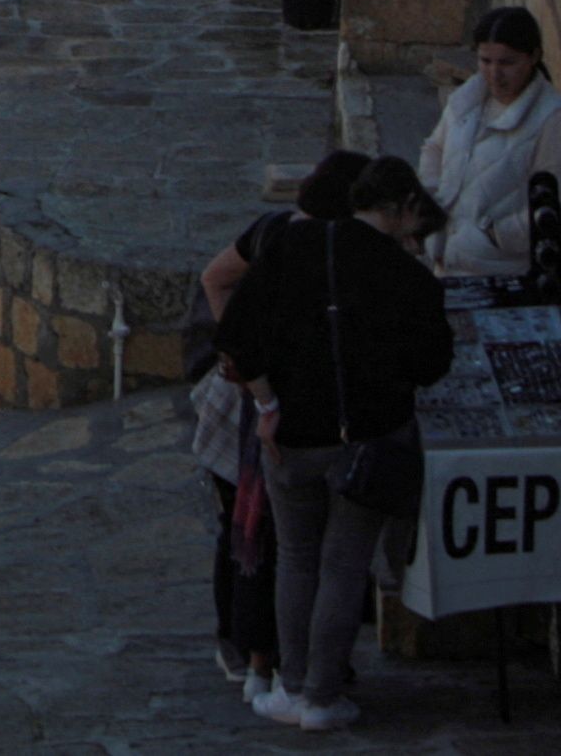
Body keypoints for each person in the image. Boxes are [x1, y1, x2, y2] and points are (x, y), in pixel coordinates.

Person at [215, 157, 456, 734]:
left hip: (292, 438)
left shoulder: (293, 249)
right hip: (368, 442)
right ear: (399, 210)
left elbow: (235, 339)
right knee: (343, 566)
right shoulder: (408, 278)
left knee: (295, 560)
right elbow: (432, 365)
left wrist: (268, 404)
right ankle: (323, 698)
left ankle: (290, 686)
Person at [195, 151, 371, 708]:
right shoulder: (308, 250)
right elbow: (218, 284)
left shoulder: (272, 232)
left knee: (252, 536)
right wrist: (256, 370)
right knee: (270, 541)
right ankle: (265, 662)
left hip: (250, 400)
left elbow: (215, 279)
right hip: (259, 411)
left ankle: (257, 660)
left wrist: (248, 359)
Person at [416, 6, 561, 279]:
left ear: (534, 57)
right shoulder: (467, 100)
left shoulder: (555, 119)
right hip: (447, 261)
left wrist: (493, 236)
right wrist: (431, 204)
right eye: (486, 61)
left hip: (503, 271)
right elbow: (435, 148)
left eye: (507, 63)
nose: (494, 74)